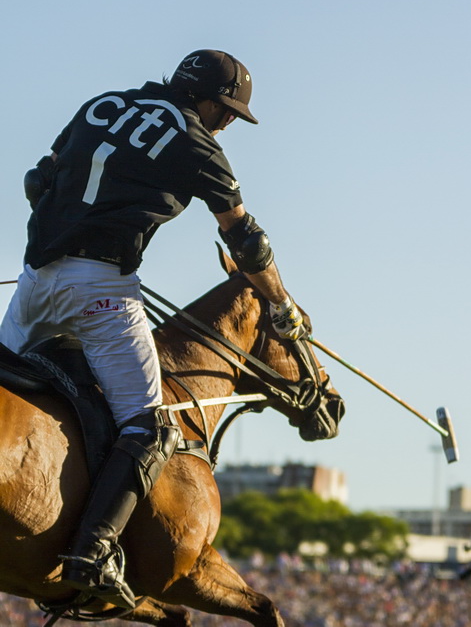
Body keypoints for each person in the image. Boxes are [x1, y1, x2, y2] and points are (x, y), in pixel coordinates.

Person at [0, 49, 306, 609]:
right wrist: (280, 302)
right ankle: (91, 553)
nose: (230, 121)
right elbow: (247, 241)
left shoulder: (102, 105)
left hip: (33, 282)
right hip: (101, 289)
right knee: (151, 425)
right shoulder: (198, 143)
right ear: (209, 101)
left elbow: (37, 181)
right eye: (230, 110)